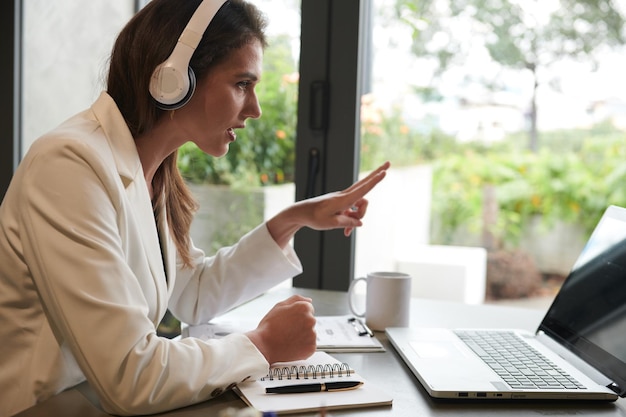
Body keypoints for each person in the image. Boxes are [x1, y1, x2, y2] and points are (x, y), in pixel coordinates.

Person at [0, 0, 389, 416]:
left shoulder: (149, 171)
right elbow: (130, 376)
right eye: (242, 84)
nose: (255, 109)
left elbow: (194, 293)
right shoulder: (69, 167)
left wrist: (293, 220)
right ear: (174, 78)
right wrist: (263, 345)